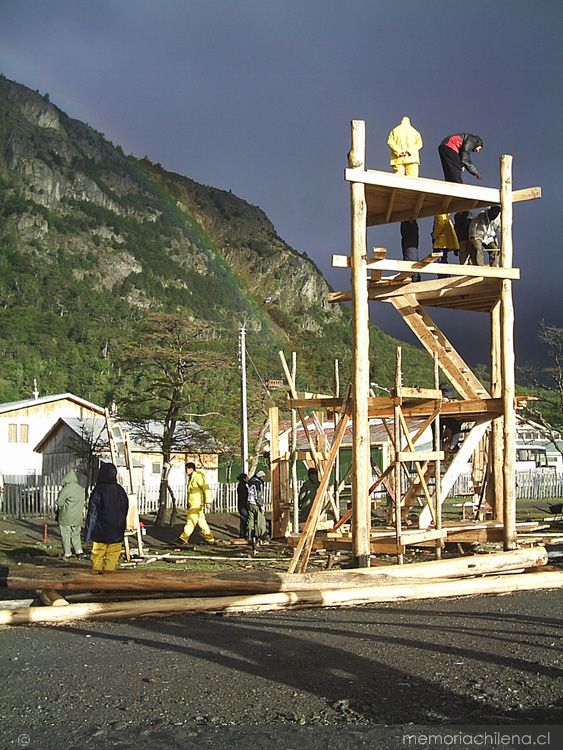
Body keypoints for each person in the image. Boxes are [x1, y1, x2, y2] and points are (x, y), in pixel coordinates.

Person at [84, 462, 129, 571]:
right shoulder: (120, 490)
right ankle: (109, 581)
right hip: (116, 531)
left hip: (100, 531)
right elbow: (125, 509)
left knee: (97, 556)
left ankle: (96, 581)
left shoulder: (98, 490)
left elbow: (93, 514)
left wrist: (88, 533)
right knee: (112, 558)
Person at [180, 462, 215, 545]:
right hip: (194, 503)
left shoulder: (198, 476)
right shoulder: (192, 477)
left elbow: (206, 488)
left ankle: (183, 538)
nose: (185, 472)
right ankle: (209, 538)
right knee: (201, 521)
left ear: (190, 469)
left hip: (196, 504)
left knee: (190, 520)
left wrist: (208, 501)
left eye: (186, 470)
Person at [56, 468, 86, 560]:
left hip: (66, 516)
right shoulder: (81, 489)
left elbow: (59, 502)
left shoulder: (66, 489)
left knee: (66, 534)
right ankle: (79, 552)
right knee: (76, 534)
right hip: (78, 516)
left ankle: (67, 553)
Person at [247, 470, 268, 548]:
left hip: (249, 503)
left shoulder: (250, 482)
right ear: (260, 476)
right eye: (263, 477)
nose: (264, 478)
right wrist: (261, 505)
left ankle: (249, 536)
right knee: (261, 520)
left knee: (250, 520)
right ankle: (263, 537)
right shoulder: (257, 483)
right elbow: (258, 495)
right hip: (255, 504)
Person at [236, 472, 249, 539]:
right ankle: (243, 534)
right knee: (245, 519)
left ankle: (242, 534)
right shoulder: (242, 486)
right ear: (244, 479)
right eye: (247, 477)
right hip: (243, 505)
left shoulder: (241, 485)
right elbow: (244, 496)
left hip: (241, 504)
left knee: (243, 519)